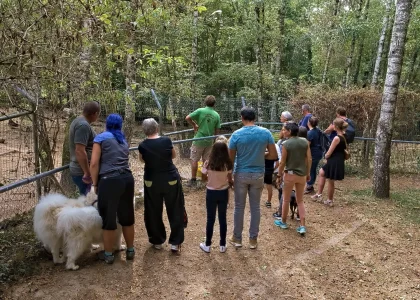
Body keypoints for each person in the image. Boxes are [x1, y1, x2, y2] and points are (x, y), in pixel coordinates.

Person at [228, 107, 278, 249]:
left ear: (242, 118)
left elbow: (230, 160)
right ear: (254, 118)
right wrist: (261, 154)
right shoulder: (265, 133)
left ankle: (237, 238)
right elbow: (273, 155)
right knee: (255, 207)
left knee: (239, 207)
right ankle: (253, 240)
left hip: (241, 174)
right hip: (258, 175)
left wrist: (229, 176)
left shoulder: (236, 134)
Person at [90, 114, 135, 264]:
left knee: (108, 218)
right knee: (127, 217)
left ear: (107, 124)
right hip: (127, 179)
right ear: (120, 125)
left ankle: (108, 254)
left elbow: (94, 163)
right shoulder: (123, 140)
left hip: (110, 181)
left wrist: (95, 183)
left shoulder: (100, 138)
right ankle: (130, 250)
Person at [138, 118, 185, 253]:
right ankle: (175, 243)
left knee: (153, 210)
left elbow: (142, 160)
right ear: (157, 128)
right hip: (170, 179)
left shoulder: (142, 145)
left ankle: (157, 240)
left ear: (144, 131)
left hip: (151, 181)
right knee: (175, 208)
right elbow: (173, 156)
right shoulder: (166, 141)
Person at [274, 122, 312, 235]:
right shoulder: (305, 142)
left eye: (284, 130)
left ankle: (283, 222)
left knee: (286, 199)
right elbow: (309, 159)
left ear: (290, 131)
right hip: (302, 175)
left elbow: (283, 162)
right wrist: (308, 172)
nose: (283, 131)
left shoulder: (286, 144)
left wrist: (279, 175)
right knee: (300, 200)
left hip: (289, 175)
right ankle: (302, 226)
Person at [199, 142, 233, 253]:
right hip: (223, 192)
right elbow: (229, 179)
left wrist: (209, 178)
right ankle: (222, 245)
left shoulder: (208, 163)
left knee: (210, 219)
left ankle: (207, 245)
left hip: (211, 192)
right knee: (222, 219)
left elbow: (203, 177)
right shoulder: (228, 164)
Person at [185, 95, 221, 187]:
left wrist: (194, 125)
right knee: (206, 161)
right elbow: (217, 131)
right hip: (209, 141)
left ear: (205, 102)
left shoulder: (200, 110)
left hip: (198, 139)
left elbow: (187, 118)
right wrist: (214, 141)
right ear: (214, 104)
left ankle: (193, 180)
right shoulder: (216, 115)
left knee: (194, 159)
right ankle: (204, 180)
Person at [311, 118, 348, 206]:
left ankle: (329, 200)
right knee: (322, 172)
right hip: (338, 159)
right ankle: (319, 194)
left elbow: (329, 152)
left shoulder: (336, 138)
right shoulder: (343, 135)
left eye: (333, 125)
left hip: (334, 160)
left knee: (330, 180)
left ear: (336, 126)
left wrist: (325, 156)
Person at [69, 101, 100, 195]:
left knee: (87, 201)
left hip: (82, 170)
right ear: (95, 114)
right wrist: (87, 173)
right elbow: (79, 151)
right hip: (82, 172)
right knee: (89, 203)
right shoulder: (83, 125)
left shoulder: (79, 121)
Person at [273, 111, 293, 220]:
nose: (280, 117)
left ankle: (281, 212)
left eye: (281, 116)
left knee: (283, 189)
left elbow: (282, 161)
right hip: (296, 170)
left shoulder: (286, 129)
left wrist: (279, 174)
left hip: (286, 168)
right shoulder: (299, 139)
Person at [305, 116, 323, 194]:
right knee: (313, 169)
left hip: (313, 153)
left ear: (309, 122)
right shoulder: (318, 130)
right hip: (318, 152)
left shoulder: (310, 133)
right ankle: (310, 185)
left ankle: (309, 186)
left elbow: (307, 145)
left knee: (311, 169)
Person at [263, 144, 280, 208]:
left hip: (261, 170)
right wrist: (273, 170)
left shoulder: (262, 151)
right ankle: (269, 201)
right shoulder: (274, 153)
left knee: (258, 187)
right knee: (269, 186)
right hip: (269, 171)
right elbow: (278, 164)